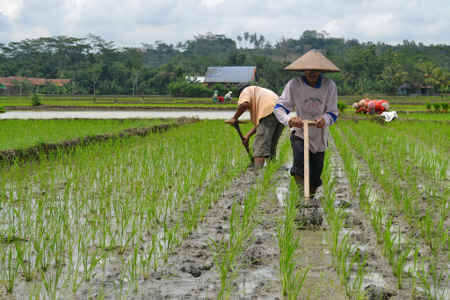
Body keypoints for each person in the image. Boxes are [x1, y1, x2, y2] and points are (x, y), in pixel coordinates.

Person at [274, 49, 340, 204]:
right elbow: (279, 107)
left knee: (316, 175)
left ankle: (309, 197)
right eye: (309, 70)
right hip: (300, 132)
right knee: (299, 166)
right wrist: (290, 119)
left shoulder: (329, 86)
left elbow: (333, 112)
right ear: (304, 70)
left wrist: (325, 119)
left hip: (319, 135)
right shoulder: (294, 85)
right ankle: (301, 194)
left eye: (315, 70)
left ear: (321, 70)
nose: (312, 73)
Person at [225, 84, 284, 169]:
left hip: (270, 110)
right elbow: (260, 124)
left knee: (259, 146)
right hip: (281, 113)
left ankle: (257, 172)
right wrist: (247, 136)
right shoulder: (260, 94)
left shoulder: (246, 90)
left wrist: (234, 118)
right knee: (271, 145)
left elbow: (244, 104)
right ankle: (272, 170)